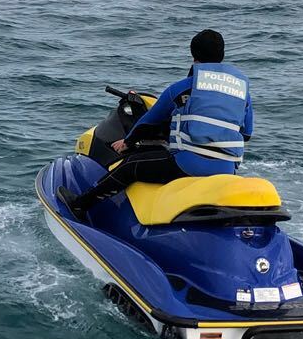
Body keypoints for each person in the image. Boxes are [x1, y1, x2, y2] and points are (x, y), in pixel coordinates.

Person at [60, 29, 253, 219]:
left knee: (130, 167)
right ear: (222, 55)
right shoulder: (241, 90)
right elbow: (246, 133)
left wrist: (127, 142)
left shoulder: (182, 87)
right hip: (227, 169)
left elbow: (149, 121)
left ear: (194, 56)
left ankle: (79, 205)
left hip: (188, 165)